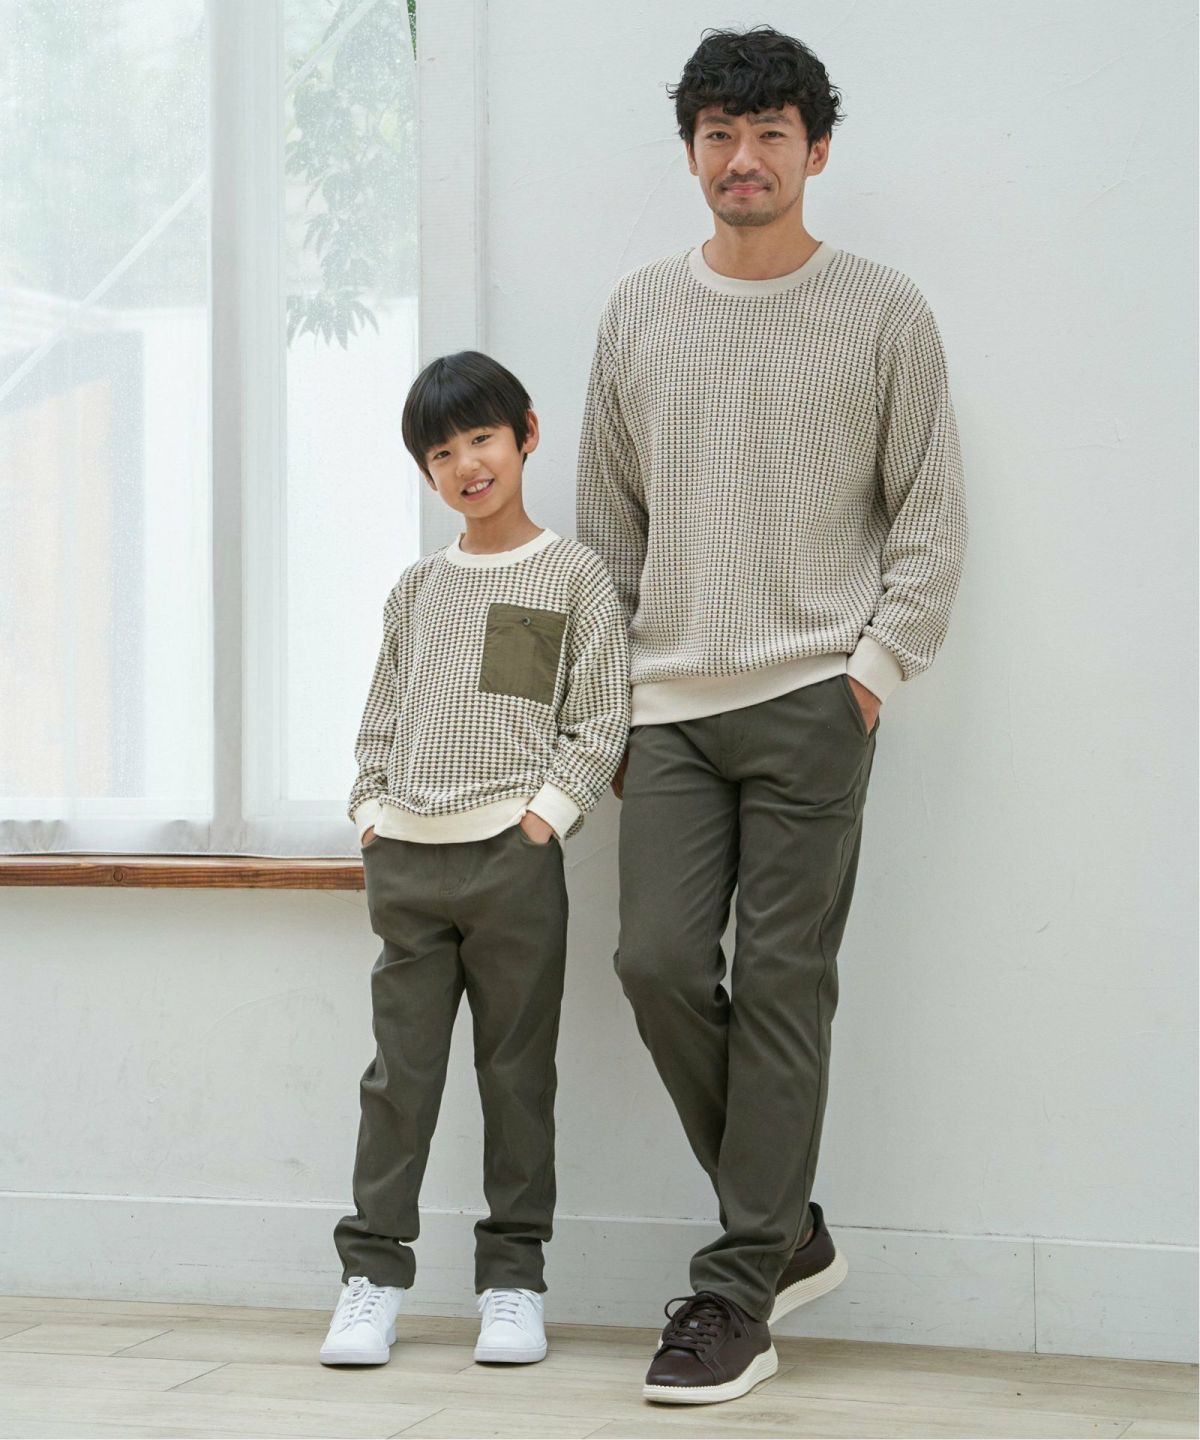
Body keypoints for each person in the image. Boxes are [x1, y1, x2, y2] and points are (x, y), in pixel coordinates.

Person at [577, 26, 968, 1405]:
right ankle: (787, 1228)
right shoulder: (638, 311)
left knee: (787, 984)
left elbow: (930, 517)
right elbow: (605, 533)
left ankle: (736, 1292)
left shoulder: (883, 310)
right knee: (656, 965)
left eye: (771, 134)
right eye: (719, 135)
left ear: (817, 149)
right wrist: (608, 710)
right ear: (691, 150)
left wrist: (873, 672)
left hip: (815, 697)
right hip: (668, 710)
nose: (743, 158)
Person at [321, 350, 629, 1368]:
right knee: (398, 1081)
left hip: (512, 865)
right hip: (407, 866)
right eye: (441, 453)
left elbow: (599, 719)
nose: (466, 465)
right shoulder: (417, 590)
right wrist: (371, 811)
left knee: (516, 1078)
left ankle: (513, 1284)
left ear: (526, 435)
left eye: (482, 439)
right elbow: (379, 718)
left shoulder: (572, 576)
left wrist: (542, 819)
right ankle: (371, 1279)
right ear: (427, 472)